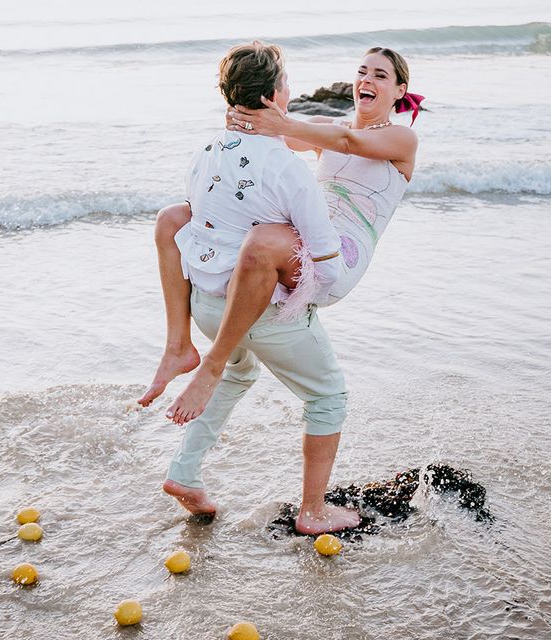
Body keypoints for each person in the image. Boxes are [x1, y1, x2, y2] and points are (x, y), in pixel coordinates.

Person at [139, 47, 420, 427]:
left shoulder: (403, 139)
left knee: (265, 236)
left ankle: (214, 363)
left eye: (380, 76)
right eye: (362, 71)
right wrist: (245, 118)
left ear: (400, 90)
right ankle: (178, 344)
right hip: (308, 235)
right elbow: (269, 145)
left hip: (340, 254)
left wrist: (283, 124)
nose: (366, 80)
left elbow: (346, 142)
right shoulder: (322, 125)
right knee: (173, 218)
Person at [155, 40, 360, 534]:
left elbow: (200, 221)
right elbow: (324, 255)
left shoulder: (205, 153)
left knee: (236, 373)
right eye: (287, 81)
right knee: (328, 397)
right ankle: (313, 513)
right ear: (274, 97)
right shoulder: (286, 165)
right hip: (262, 311)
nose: (291, 88)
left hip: (207, 306)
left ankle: (184, 472)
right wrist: (316, 294)